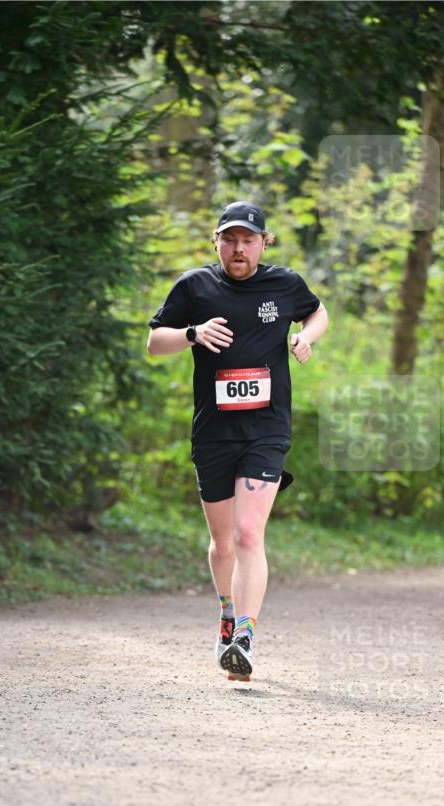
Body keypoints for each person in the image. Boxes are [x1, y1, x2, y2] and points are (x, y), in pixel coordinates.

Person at [147, 201, 328, 681]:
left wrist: (307, 337)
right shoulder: (194, 286)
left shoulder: (285, 284)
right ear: (217, 241)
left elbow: (318, 311)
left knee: (250, 534)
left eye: (248, 239)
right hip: (213, 431)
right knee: (223, 540)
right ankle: (227, 612)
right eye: (230, 239)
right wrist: (191, 332)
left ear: (264, 243)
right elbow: (153, 344)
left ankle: (245, 637)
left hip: (267, 428)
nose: (239, 248)